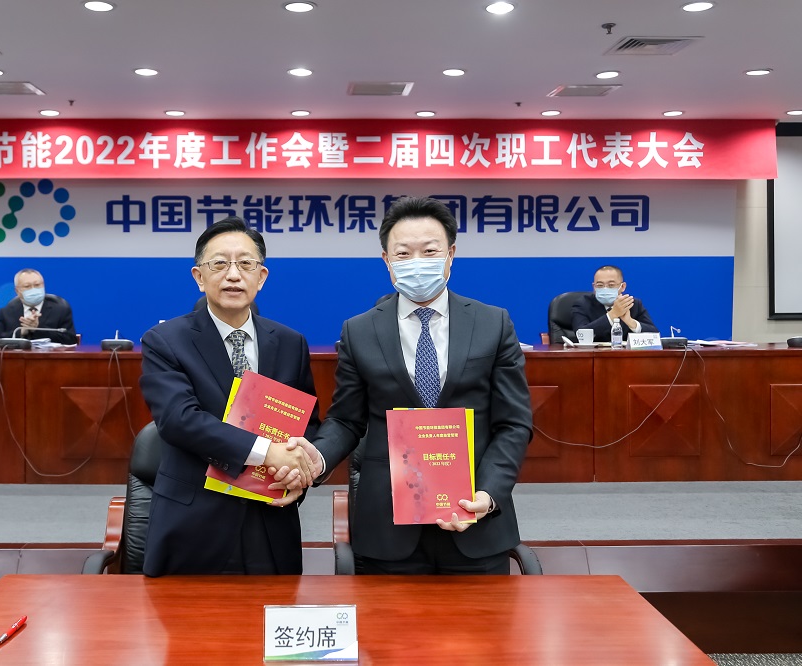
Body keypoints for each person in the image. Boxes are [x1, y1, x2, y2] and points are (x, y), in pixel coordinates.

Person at [285, 196, 533, 575]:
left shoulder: (493, 323)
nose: (417, 262)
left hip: (474, 517)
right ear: (387, 260)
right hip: (388, 525)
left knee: (483, 616)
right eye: (403, 253)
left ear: (450, 254)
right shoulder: (359, 330)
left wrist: (489, 492)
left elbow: (513, 422)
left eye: (429, 251)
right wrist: (316, 459)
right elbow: (347, 420)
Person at [138, 216, 320, 576]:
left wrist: (297, 470)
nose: (233, 275)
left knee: (274, 609)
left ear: (261, 277)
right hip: (193, 523)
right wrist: (266, 450)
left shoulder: (290, 343)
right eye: (219, 263)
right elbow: (179, 420)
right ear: (199, 276)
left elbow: (306, 423)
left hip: (270, 519)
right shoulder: (165, 341)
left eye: (246, 264)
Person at [572, 265, 657, 342]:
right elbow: (580, 335)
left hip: (626, 353)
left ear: (622, 287)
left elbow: (655, 335)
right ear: (594, 287)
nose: (605, 289)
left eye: (611, 285)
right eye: (600, 285)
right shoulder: (582, 304)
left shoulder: (632, 304)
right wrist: (612, 315)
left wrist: (631, 322)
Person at [0, 269, 77, 345]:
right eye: (27, 286)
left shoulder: (60, 308)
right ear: (17, 291)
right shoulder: (7, 311)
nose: (33, 289)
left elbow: (70, 340)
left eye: (37, 285)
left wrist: (37, 328)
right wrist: (21, 332)